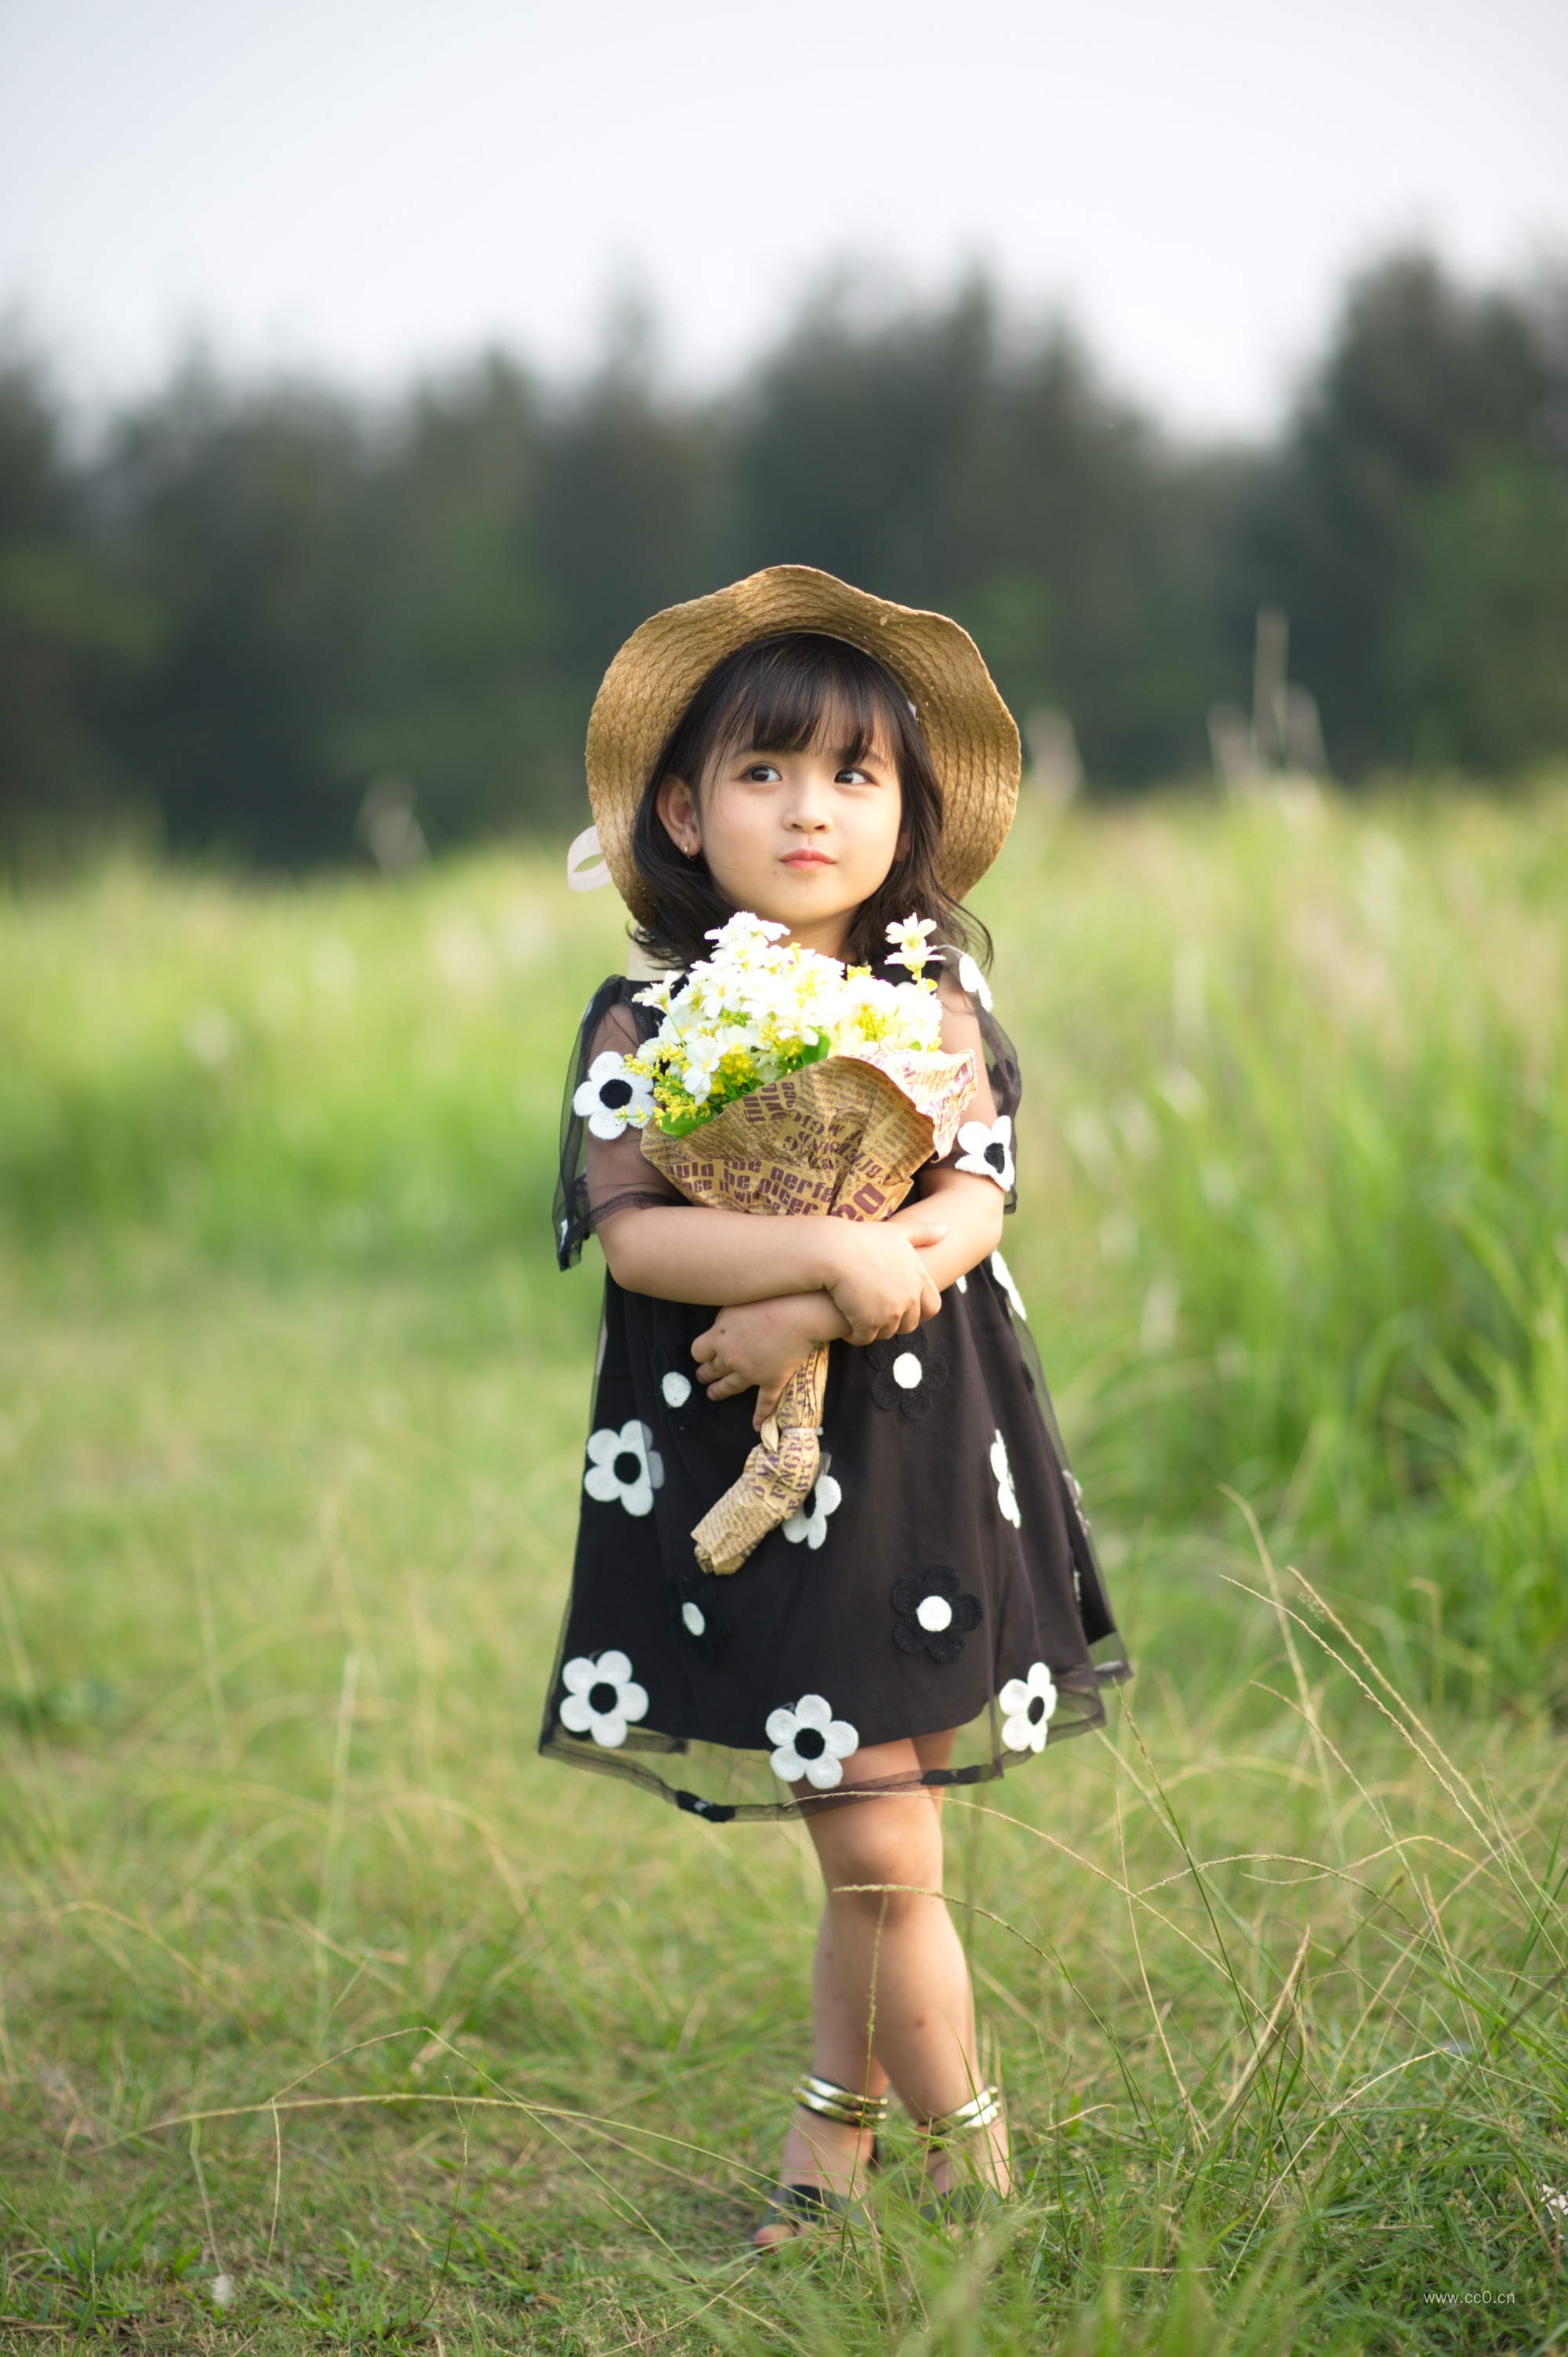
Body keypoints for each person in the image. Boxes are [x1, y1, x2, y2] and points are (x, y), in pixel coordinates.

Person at [544, 566, 1127, 2244]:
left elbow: (970, 1205)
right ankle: (963, 2171)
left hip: (923, 1455)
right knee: (873, 1838)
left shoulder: (933, 1012)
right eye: (761, 771)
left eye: (851, 776)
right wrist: (814, 1247)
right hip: (745, 1464)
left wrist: (827, 1290)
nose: (808, 808)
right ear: (680, 808)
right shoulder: (649, 1022)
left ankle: (852, 2152)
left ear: (908, 815)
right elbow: (637, 1228)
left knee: (875, 1836)